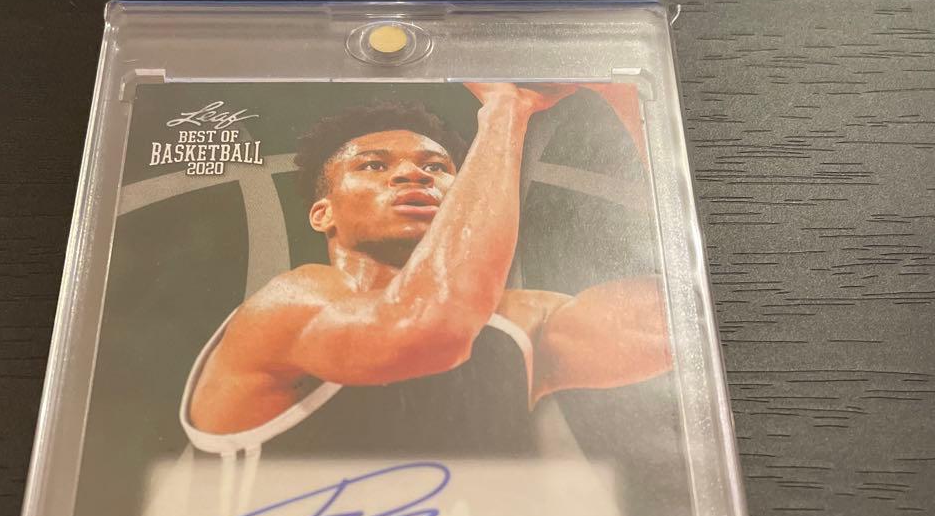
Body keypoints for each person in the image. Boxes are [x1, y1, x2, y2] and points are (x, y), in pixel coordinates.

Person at [182, 83, 671, 459]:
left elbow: (681, 324)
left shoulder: (519, 326)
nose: (412, 174)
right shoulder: (288, 303)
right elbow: (429, 326)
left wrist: (624, 92)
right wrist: (506, 108)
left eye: (436, 167)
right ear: (322, 213)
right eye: (373, 166)